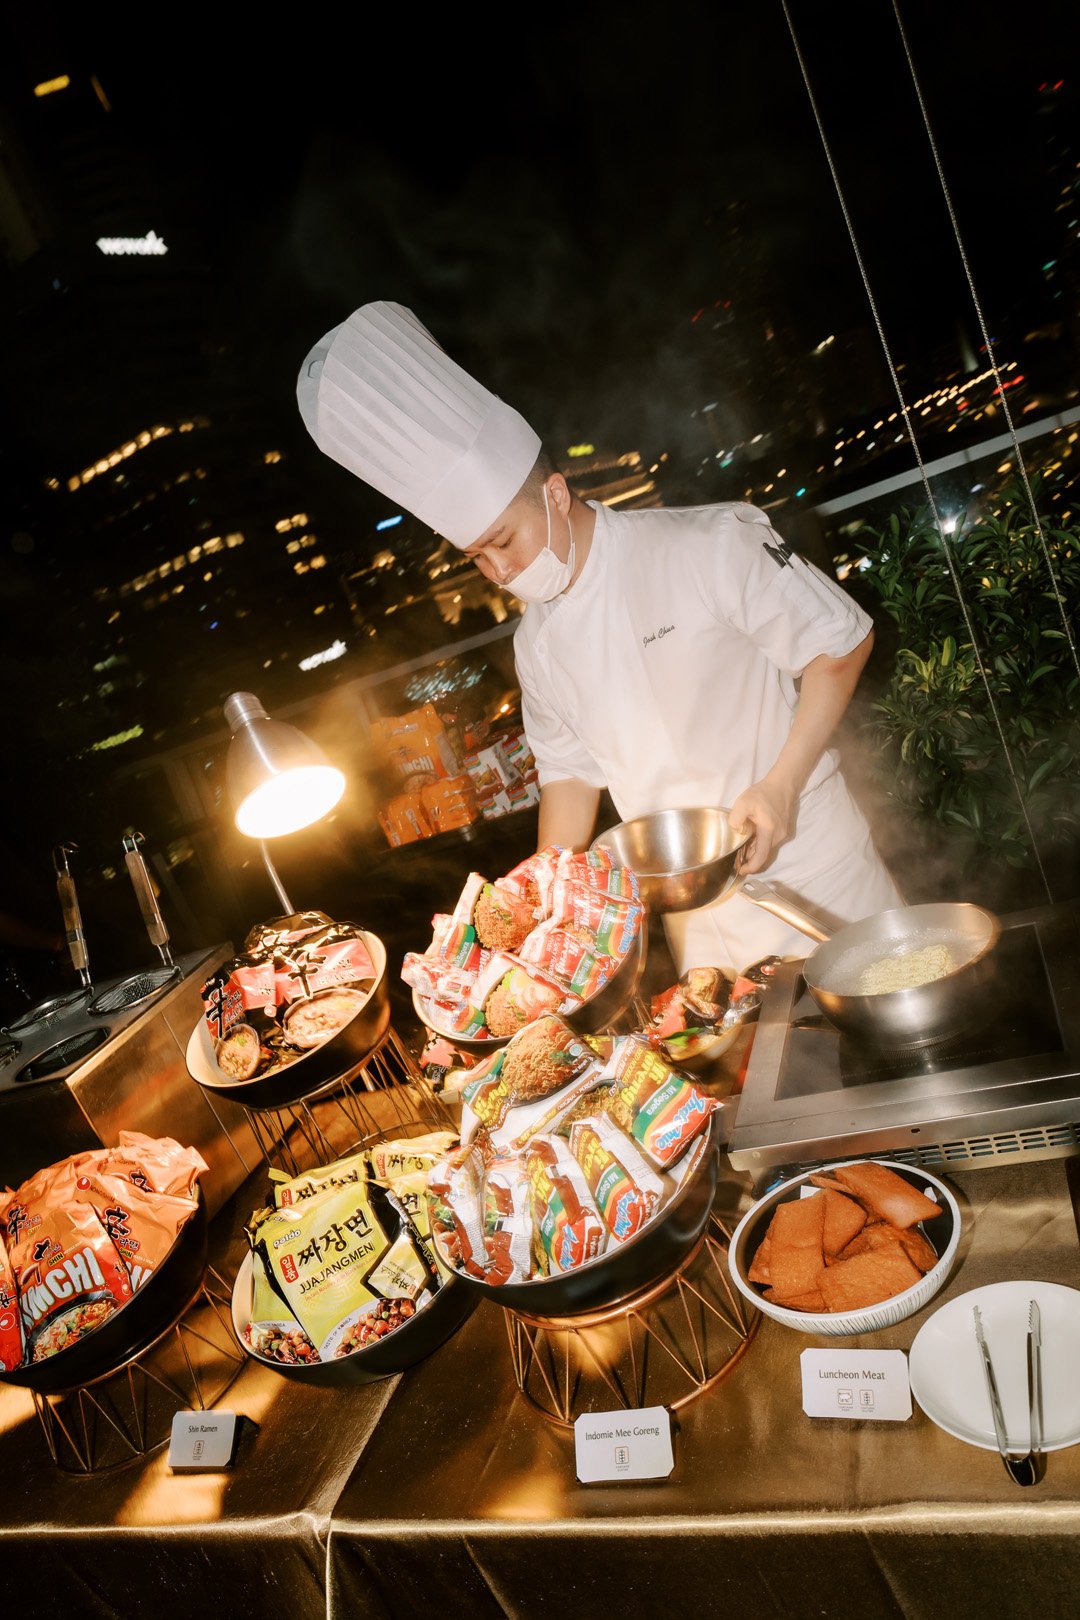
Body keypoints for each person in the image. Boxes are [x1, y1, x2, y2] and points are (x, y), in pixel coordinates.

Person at [297, 301, 903, 976]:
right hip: (700, 923)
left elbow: (840, 646)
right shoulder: (537, 646)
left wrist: (781, 786)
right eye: (477, 557)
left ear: (556, 495)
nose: (499, 571)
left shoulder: (705, 544)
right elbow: (569, 778)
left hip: (813, 871)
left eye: (503, 541)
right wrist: (534, 903)